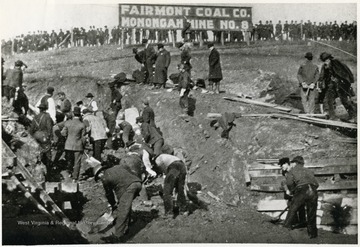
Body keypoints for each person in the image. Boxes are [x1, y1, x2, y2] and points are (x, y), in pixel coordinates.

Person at [95, 153, 144, 243]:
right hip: (137, 183)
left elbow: (109, 194)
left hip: (130, 187)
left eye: (98, 176)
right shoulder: (117, 167)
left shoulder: (105, 177)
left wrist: (113, 205)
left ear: (101, 172)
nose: (99, 178)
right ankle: (126, 227)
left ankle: (117, 236)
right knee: (125, 206)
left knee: (123, 209)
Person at [280, 156, 319, 239]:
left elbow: (290, 183)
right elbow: (317, 184)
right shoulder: (309, 171)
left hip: (302, 190)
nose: (292, 164)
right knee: (311, 213)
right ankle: (313, 234)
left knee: (293, 208)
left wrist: (293, 191)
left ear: (295, 163)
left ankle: (285, 228)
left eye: (292, 163)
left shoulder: (292, 170)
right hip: (314, 190)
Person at [318, 52, 357, 122]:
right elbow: (322, 76)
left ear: (329, 59)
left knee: (345, 101)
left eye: (327, 60)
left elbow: (343, 73)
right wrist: (320, 85)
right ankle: (332, 116)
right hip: (331, 86)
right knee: (329, 101)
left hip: (340, 86)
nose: (325, 62)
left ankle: (354, 116)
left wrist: (339, 80)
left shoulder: (336, 63)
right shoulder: (324, 67)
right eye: (324, 61)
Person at [153, 153, 188, 219]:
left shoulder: (158, 159)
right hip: (182, 166)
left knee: (167, 191)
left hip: (174, 167)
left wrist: (167, 178)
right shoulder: (167, 156)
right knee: (180, 189)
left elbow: (163, 169)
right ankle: (184, 210)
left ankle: (169, 213)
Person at [278, 157, 306, 229]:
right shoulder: (284, 172)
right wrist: (286, 189)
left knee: (300, 207)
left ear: (286, 164)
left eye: (282, 165)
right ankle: (294, 223)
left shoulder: (294, 170)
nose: (281, 167)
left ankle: (302, 223)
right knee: (291, 206)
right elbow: (284, 182)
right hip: (290, 193)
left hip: (298, 191)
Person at [61, 107, 86, 181]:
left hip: (68, 145)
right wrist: (83, 145)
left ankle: (69, 174)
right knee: (77, 162)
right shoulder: (82, 125)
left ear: (73, 113)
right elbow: (83, 138)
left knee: (69, 161)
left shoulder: (68, 123)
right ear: (80, 114)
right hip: (78, 145)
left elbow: (63, 133)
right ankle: (75, 178)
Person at [29, 102, 54, 172]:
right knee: (48, 153)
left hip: (36, 136)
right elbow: (49, 127)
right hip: (44, 136)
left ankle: (38, 168)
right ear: (46, 109)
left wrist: (32, 137)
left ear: (40, 109)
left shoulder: (35, 117)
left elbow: (31, 129)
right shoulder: (47, 116)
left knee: (38, 152)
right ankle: (48, 171)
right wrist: (50, 138)